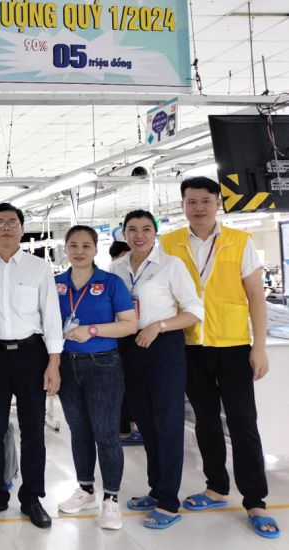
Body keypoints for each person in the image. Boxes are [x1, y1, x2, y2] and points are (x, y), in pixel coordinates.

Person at [162, 176, 280, 539]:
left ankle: (255, 499)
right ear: (182, 205)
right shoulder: (168, 244)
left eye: (205, 201)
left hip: (232, 345)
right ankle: (216, 487)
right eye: (191, 201)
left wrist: (258, 347)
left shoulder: (239, 242)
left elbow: (256, 299)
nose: (198, 207)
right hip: (189, 345)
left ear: (218, 204)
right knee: (206, 420)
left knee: (243, 422)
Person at [0, 203, 63, 528]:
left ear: (22, 229)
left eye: (12, 222)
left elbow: (51, 318)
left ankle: (32, 497)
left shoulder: (39, 268)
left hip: (31, 354)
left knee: (33, 429)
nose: (6, 227)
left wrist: (54, 364)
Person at [109, 210, 203, 529]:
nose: (139, 235)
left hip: (163, 347)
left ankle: (168, 502)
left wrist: (159, 326)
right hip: (130, 348)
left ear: (155, 233)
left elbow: (194, 311)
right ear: (123, 233)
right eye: (132, 229)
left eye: (146, 229)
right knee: (146, 421)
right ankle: (156, 488)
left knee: (168, 422)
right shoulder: (116, 268)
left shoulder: (170, 265)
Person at [54, 226, 137, 530]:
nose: (79, 251)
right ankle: (86, 489)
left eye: (86, 245)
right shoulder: (55, 284)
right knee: (79, 431)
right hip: (66, 363)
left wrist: (93, 330)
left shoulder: (111, 283)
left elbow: (129, 324)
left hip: (103, 363)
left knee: (106, 434)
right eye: (73, 245)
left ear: (95, 249)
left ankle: (111, 499)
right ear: (65, 249)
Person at [107, 241, 142, 446]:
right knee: (123, 387)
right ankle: (124, 429)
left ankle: (128, 427)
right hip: (120, 336)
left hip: (132, 333)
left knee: (129, 387)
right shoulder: (114, 274)